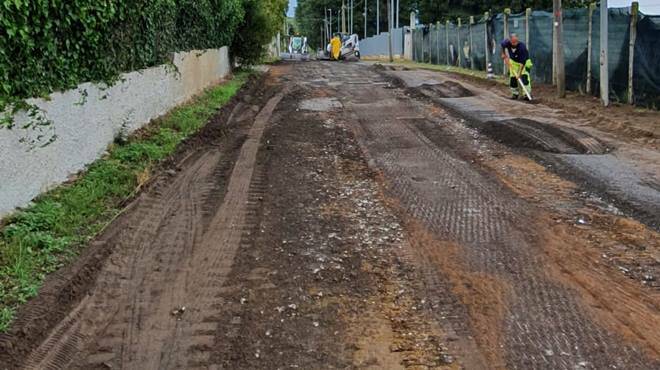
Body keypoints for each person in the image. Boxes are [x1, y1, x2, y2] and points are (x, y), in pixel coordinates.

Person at [501, 33, 533, 100]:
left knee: (525, 78)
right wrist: (503, 54)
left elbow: (522, 63)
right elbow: (502, 45)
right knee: (513, 79)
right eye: (513, 42)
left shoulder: (522, 47)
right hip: (513, 62)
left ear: (517, 40)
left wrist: (519, 73)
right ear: (510, 41)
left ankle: (526, 95)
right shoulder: (507, 43)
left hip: (524, 63)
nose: (514, 44)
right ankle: (515, 94)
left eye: (516, 42)